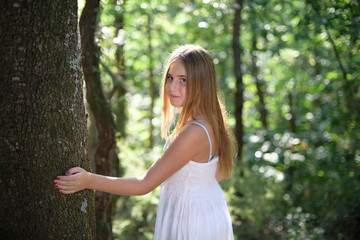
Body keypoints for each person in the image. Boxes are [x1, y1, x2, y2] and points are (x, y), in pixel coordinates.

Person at [54, 44, 237, 240]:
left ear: (202, 82)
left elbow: (144, 185)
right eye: (170, 78)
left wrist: (88, 180)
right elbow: (215, 175)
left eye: (183, 80)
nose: (172, 87)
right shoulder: (212, 120)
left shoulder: (194, 132)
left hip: (190, 222)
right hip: (208, 211)